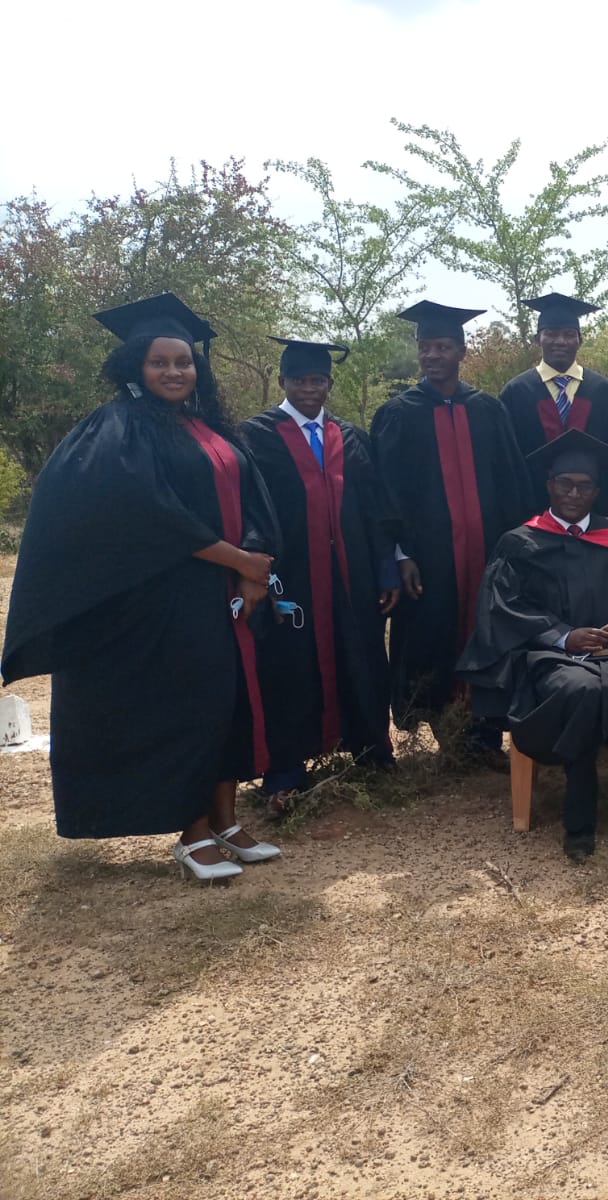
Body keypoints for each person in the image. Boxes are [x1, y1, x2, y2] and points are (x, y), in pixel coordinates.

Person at [1, 293, 281, 879]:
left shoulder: (207, 425)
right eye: (161, 362)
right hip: (165, 598)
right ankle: (192, 832)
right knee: (189, 709)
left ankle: (225, 818)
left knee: (228, 703)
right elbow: (148, 512)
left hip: (226, 595)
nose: (175, 372)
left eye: (184, 362)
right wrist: (238, 559)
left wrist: (257, 567)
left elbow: (254, 494)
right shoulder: (118, 427)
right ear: (136, 366)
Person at [458, 431, 608, 859]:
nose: (574, 494)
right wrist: (562, 634)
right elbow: (503, 609)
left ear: (597, 490)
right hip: (551, 656)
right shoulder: (521, 542)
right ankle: (579, 815)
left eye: (584, 486)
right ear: (550, 485)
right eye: (565, 484)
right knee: (586, 689)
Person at [238, 337, 401, 815]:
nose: (310, 389)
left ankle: (372, 752)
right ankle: (286, 769)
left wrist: (386, 567)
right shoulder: (257, 435)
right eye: (300, 380)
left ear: (329, 382)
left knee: (363, 656)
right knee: (288, 666)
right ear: (283, 381)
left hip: (352, 576)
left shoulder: (349, 436)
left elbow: (375, 510)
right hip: (292, 577)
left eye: (318, 380)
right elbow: (247, 507)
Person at [370, 300, 533, 767]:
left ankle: (483, 736)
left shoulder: (488, 410)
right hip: (430, 557)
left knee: (487, 632)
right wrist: (400, 553)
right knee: (434, 635)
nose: (432, 355)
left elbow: (512, 482)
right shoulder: (399, 413)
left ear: (461, 351)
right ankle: (445, 731)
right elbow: (385, 493)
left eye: (442, 346)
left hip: (487, 554)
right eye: (425, 347)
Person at [498, 292, 608, 514]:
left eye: (569, 334)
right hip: (532, 512)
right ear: (537, 339)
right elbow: (505, 461)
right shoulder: (516, 393)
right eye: (551, 334)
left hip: (596, 514)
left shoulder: (605, 393)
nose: (560, 341)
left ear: (580, 340)